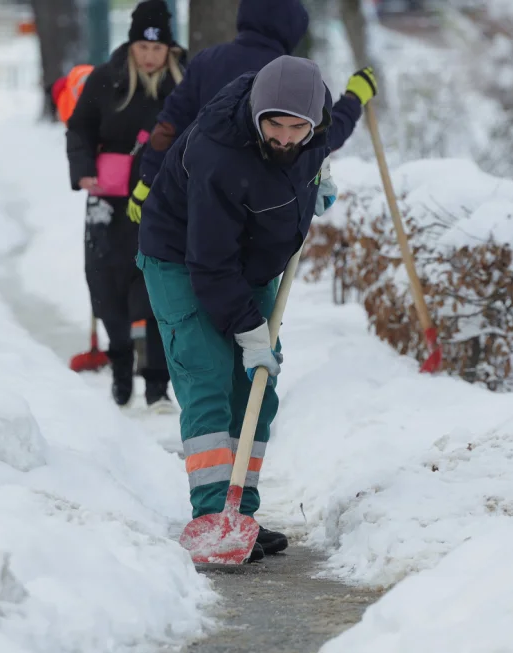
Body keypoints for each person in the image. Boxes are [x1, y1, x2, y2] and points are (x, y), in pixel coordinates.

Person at [135, 56, 377, 562]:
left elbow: (318, 144)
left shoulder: (312, 130)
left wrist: (318, 177)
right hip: (183, 259)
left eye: (298, 129)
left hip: (254, 260)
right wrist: (249, 332)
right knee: (208, 377)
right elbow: (209, 262)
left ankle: (239, 511)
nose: (286, 138)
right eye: (275, 125)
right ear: (255, 111)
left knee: (257, 390)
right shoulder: (218, 153)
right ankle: (211, 516)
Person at [124, 0, 372, 224]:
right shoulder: (290, 78)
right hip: (261, 208)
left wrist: (147, 179)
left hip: (198, 195)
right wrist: (353, 98)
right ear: (293, 28)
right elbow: (323, 136)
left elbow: (169, 125)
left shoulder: (206, 60)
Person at [66, 0, 186, 410]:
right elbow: (79, 127)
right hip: (109, 197)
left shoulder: (186, 82)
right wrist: (82, 169)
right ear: (131, 44)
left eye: (158, 49)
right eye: (143, 47)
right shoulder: (105, 79)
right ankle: (119, 367)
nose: (150, 56)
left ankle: (156, 383)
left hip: (162, 200)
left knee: (158, 286)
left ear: (168, 49)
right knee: (105, 283)